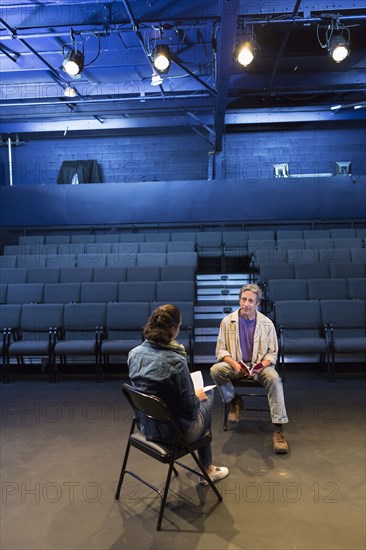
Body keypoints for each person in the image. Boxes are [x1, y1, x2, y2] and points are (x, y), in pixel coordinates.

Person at [127, 303, 229, 484]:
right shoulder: (176, 362)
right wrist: (197, 396)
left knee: (193, 398)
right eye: (180, 326)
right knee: (208, 396)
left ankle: (207, 467)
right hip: (175, 434)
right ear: (173, 330)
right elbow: (190, 408)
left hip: (145, 425)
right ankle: (208, 469)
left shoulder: (133, 354)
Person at [210, 284, 289, 454]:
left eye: (250, 300)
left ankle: (278, 429)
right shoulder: (227, 321)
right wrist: (234, 364)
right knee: (216, 370)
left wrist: (261, 365)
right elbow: (221, 350)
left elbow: (272, 353)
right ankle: (234, 400)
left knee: (274, 379)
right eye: (243, 299)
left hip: (259, 366)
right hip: (236, 365)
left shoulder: (267, 324)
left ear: (257, 304)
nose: (246, 304)